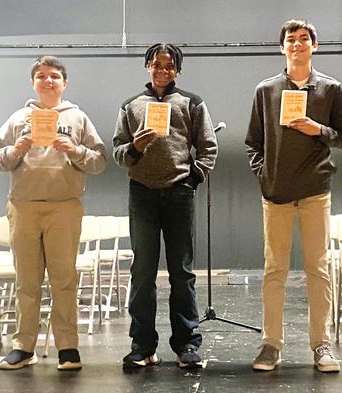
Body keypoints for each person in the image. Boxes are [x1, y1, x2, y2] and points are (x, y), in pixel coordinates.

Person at [0, 55, 107, 371]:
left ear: (64, 82)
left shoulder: (78, 118)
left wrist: (74, 150)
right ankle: (23, 346)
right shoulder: (18, 118)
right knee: (27, 281)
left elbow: (99, 161)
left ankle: (67, 347)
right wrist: (18, 149)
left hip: (64, 207)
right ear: (33, 82)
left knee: (64, 280)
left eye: (54, 76)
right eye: (41, 76)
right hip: (24, 207)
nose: (48, 81)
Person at [245, 19, 342, 373]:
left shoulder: (330, 88)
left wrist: (316, 129)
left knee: (317, 269)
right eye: (291, 40)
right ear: (282, 47)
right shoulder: (266, 90)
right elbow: (252, 143)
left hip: (315, 192)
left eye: (305, 39)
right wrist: (265, 174)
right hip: (275, 193)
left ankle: (321, 345)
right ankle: (271, 344)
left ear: (314, 46)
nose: (298, 44)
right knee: (274, 270)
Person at [113, 43, 217, 370]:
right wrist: (135, 147)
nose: (162, 71)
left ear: (177, 70)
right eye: (156, 65)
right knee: (142, 273)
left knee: (182, 272)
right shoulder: (131, 105)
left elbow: (208, 147)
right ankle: (142, 346)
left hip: (178, 194)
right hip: (142, 194)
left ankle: (186, 344)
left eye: (169, 66)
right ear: (147, 66)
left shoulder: (192, 103)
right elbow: (118, 150)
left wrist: (191, 180)